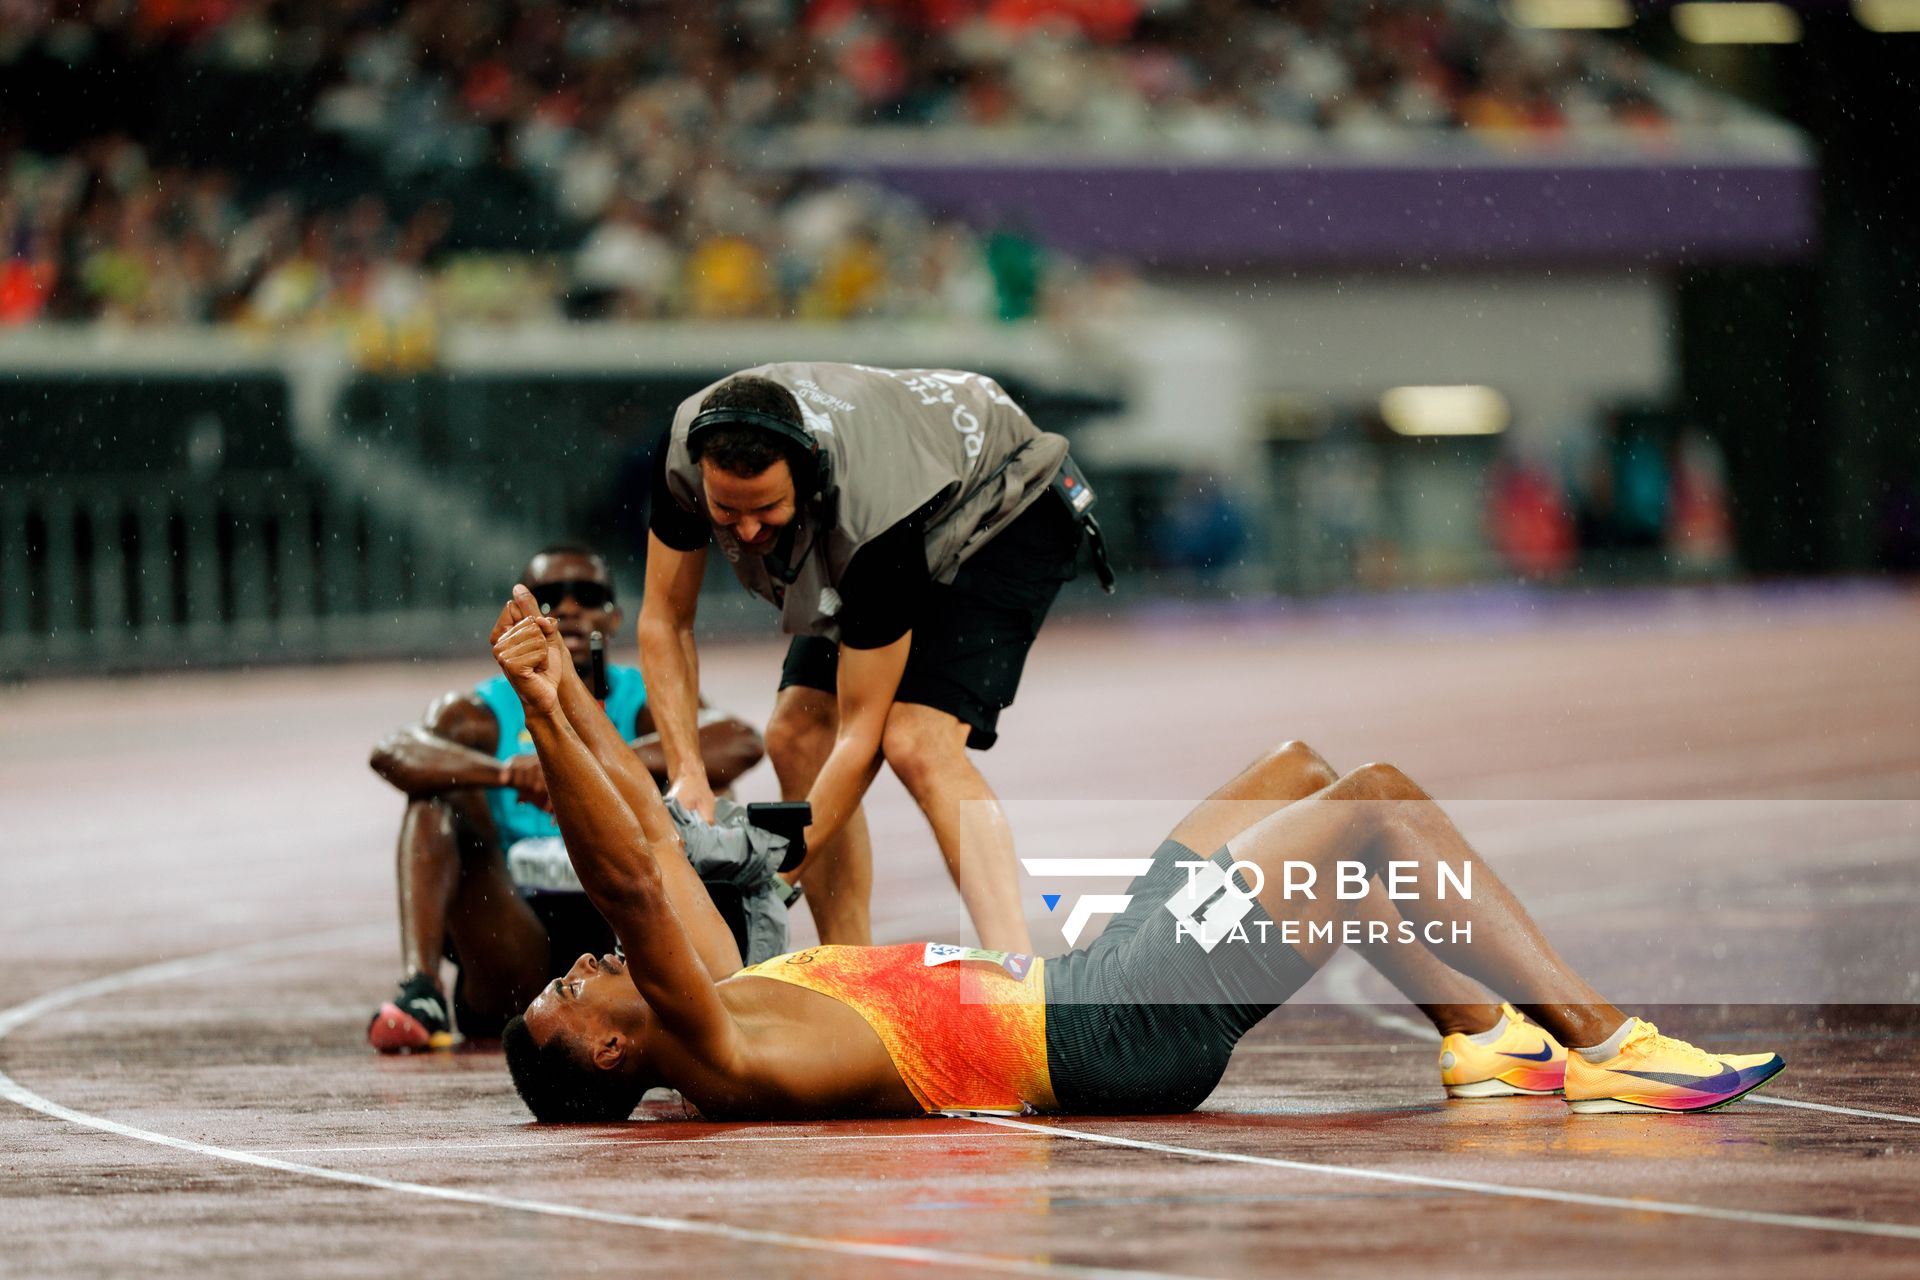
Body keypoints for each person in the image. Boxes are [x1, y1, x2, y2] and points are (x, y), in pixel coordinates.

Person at [488, 588, 1786, 1121]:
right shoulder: (718, 1054)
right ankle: (1613, 1050)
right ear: (610, 1048)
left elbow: (652, 837)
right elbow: (632, 884)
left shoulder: (720, 994)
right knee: (1376, 807)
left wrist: (564, 699)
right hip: (1110, 1031)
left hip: (1096, 979)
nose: (581, 964)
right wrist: (544, 705)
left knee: (1298, 773)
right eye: (568, 991)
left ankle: (1482, 1035)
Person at [641, 363, 1102, 952]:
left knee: (916, 741)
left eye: (767, 509)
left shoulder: (873, 520)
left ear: (805, 478)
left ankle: (1019, 981)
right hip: (913, 484)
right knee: (796, 734)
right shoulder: (684, 450)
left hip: (1008, 500)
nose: (750, 532)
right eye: (727, 512)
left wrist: (773, 876)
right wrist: (687, 774)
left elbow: (861, 736)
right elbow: (665, 619)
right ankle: (847, 969)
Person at [365, 545, 764, 1052]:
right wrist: (507, 773)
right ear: (518, 621)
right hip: (517, 933)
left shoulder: (643, 700)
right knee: (434, 801)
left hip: (628, 929)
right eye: (550, 598)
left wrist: (579, 765)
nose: (570, 609)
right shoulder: (482, 711)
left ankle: (727, 983)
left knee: (702, 785)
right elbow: (393, 752)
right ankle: (420, 989)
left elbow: (741, 740)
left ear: (615, 617)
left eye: (589, 596)